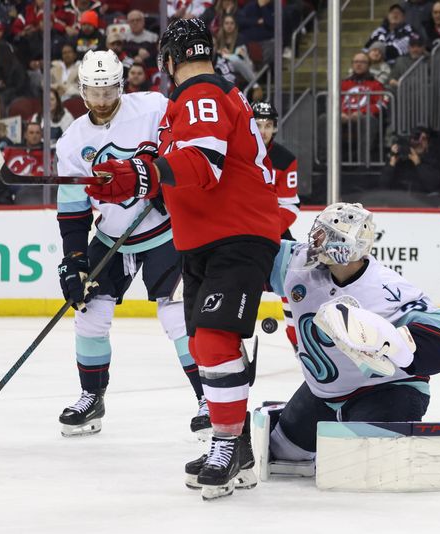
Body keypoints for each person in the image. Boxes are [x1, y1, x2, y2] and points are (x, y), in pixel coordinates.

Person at [85, 18, 280, 500]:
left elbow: (201, 165)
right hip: (206, 239)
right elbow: (169, 158)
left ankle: (225, 443)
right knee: (207, 345)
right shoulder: (190, 104)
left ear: (168, 62)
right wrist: (130, 172)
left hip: (233, 235)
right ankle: (239, 452)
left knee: (213, 341)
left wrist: (140, 178)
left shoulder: (202, 95)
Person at [53, 50, 210, 440]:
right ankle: (92, 396)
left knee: (176, 315)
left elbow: (182, 146)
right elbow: (73, 212)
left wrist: (166, 184)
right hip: (111, 237)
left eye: (108, 92)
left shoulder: (154, 108)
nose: (102, 101)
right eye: (94, 92)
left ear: (121, 87)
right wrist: (74, 259)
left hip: (165, 232)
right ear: (82, 90)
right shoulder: (73, 142)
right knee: (89, 311)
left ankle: (208, 397)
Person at [264, 202, 440, 470]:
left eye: (326, 234)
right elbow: (252, 256)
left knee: (367, 466)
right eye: (318, 230)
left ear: (345, 246)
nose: (315, 239)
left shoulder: (387, 289)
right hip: (324, 392)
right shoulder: (298, 262)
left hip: (388, 390)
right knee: (283, 454)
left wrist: (395, 343)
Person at [253, 101, 300, 350]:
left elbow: (290, 206)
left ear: (275, 128)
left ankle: (299, 342)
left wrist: (267, 229)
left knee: (292, 287)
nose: (263, 131)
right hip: (243, 232)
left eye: (268, 125)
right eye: (258, 124)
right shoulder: (234, 153)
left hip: (274, 233)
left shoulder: (284, 159)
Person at [381, 126, 440, 198]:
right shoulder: (400, 161)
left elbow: (433, 186)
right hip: (398, 203)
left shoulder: (433, 160)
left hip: (423, 203)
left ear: (428, 143)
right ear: (410, 140)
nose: (420, 141)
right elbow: (383, 187)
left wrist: (418, 164)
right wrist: (391, 164)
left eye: (424, 139)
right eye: (416, 137)